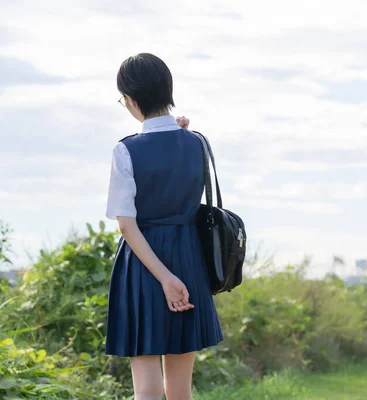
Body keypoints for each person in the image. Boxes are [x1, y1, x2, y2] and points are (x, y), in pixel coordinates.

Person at [104, 53, 223, 400]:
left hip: (142, 265)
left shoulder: (126, 150)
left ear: (132, 100)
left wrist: (162, 278)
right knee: (180, 389)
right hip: (188, 257)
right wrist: (174, 276)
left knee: (146, 385)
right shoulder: (198, 141)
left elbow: (127, 226)